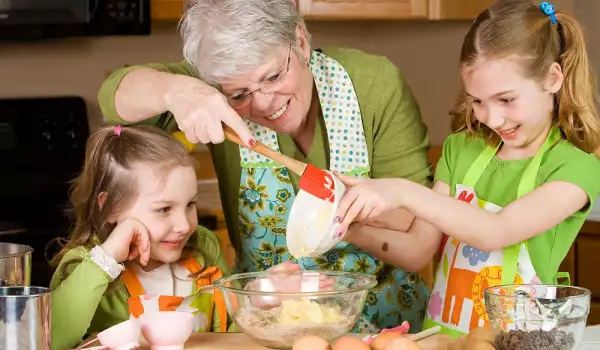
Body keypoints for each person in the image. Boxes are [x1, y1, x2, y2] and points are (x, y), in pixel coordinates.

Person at [97, 0, 432, 333]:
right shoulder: (216, 92)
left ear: (300, 41)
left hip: (390, 328)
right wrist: (176, 91)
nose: (266, 103)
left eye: (273, 75)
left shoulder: (372, 84)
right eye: (241, 94)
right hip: (267, 332)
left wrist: (339, 222)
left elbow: (415, 221)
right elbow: (112, 99)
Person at [334, 0, 600, 338]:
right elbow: (418, 249)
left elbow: (496, 231)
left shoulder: (576, 167)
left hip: (514, 343)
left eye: (506, 100)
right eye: (477, 101)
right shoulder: (461, 149)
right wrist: (345, 226)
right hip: (442, 339)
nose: (491, 118)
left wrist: (401, 191)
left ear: (552, 78)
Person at [49, 125, 231, 350]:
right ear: (111, 207)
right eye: (164, 209)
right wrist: (108, 257)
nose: (185, 225)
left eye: (190, 204)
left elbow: (234, 324)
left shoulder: (204, 245)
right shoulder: (84, 265)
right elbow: (53, 339)